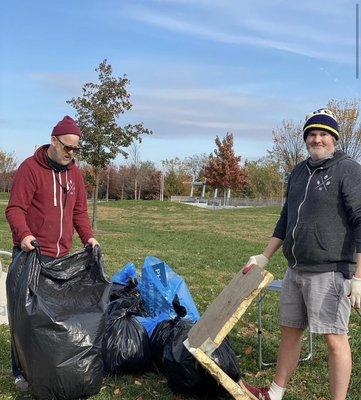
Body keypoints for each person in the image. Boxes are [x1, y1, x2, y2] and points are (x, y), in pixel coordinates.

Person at [241, 108, 361, 400]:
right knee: (290, 332)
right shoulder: (298, 171)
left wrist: (358, 277)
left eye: (323, 134)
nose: (317, 139)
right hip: (295, 269)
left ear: (334, 137)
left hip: (330, 271)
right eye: (312, 134)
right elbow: (286, 217)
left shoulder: (348, 169)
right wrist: (265, 255)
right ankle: (275, 393)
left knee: (334, 340)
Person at [5, 115, 99, 390]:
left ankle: (50, 368)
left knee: (53, 320)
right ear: (53, 140)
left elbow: (79, 212)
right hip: (32, 255)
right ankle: (21, 371)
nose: (71, 153)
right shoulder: (29, 169)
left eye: (75, 149)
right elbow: (15, 209)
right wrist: (25, 236)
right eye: (67, 147)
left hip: (61, 259)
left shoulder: (75, 174)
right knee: (26, 319)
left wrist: (89, 238)